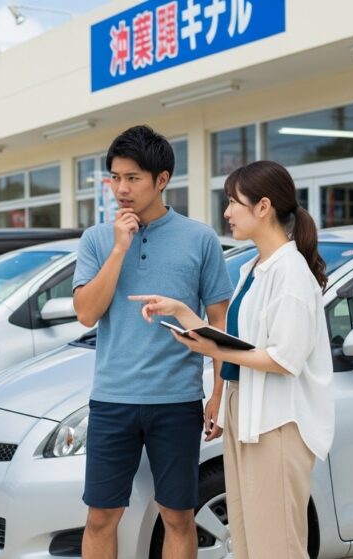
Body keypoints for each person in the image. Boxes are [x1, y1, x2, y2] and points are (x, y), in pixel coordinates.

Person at [131, 160, 335, 558]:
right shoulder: (256, 269)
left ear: (263, 207)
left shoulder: (290, 274)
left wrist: (215, 351)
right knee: (246, 540)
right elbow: (238, 339)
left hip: (277, 423)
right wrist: (182, 312)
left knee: (276, 546)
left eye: (232, 202)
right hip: (248, 415)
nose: (226, 213)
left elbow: (284, 359)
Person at [72, 125, 233, 559]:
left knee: (178, 516)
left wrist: (218, 392)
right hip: (111, 399)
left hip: (177, 400)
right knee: (101, 516)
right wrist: (119, 249)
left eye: (133, 178)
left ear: (162, 180)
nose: (120, 189)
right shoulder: (96, 240)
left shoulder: (200, 239)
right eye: (114, 177)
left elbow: (218, 321)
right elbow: (87, 311)